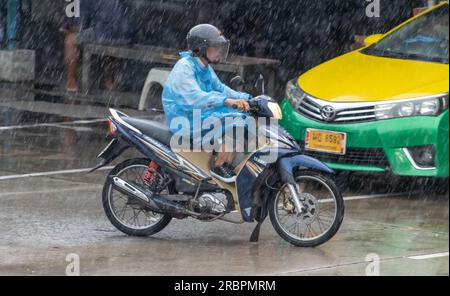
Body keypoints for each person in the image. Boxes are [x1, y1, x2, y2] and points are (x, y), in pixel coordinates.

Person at [162, 24, 252, 183]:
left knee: (245, 119)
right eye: (215, 47)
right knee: (236, 124)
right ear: (201, 47)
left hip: (200, 114)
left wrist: (248, 99)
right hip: (185, 119)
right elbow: (194, 98)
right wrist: (227, 101)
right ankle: (218, 168)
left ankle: (226, 164)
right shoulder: (185, 67)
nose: (219, 51)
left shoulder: (204, 67)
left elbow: (221, 89)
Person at [62, 0, 135, 92]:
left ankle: (71, 82)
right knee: (110, 42)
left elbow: (80, 27)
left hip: (105, 33)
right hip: (126, 35)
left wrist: (68, 29)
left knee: (70, 40)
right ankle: (110, 81)